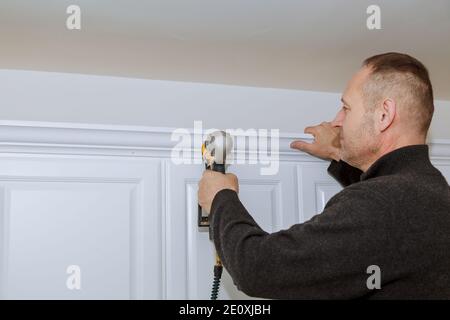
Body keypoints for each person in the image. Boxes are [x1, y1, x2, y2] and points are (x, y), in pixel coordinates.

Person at [198, 52, 450, 299]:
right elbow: (384, 225)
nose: (337, 121)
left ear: (384, 115)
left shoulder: (380, 203)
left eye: (346, 108)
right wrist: (338, 153)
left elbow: (256, 269)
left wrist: (221, 198)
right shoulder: (434, 193)